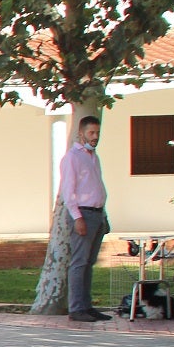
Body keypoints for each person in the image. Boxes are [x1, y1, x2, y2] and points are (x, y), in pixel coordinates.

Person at [59, 115, 110, 322]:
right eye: (91, 132)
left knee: (89, 262)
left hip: (97, 214)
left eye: (97, 132)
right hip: (82, 214)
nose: (95, 136)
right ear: (81, 133)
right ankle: (76, 308)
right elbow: (68, 191)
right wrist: (77, 217)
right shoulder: (72, 157)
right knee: (79, 262)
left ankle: (87, 306)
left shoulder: (93, 157)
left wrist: (104, 216)